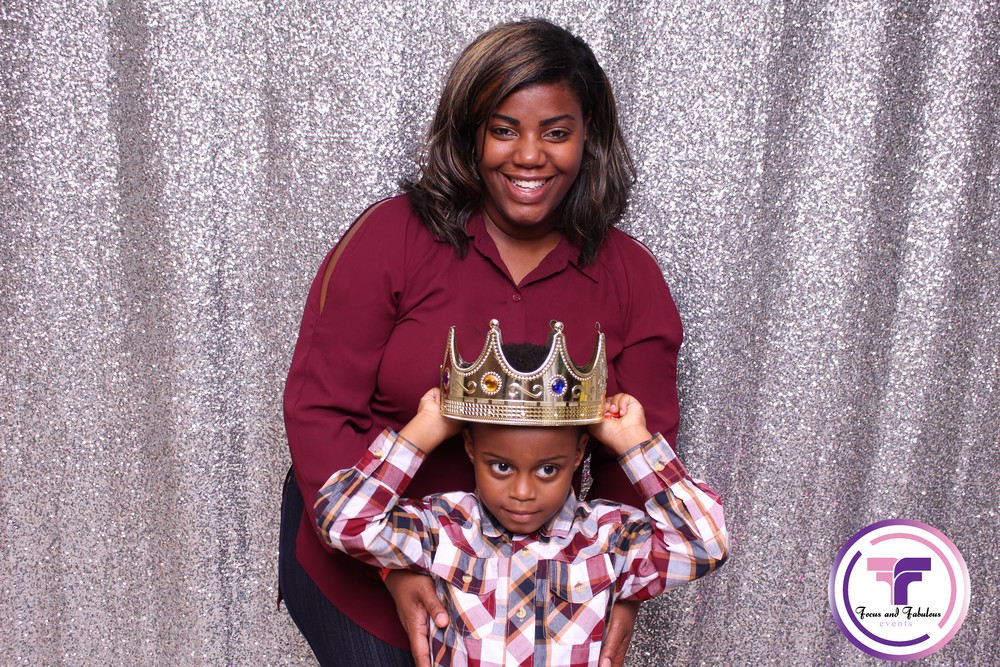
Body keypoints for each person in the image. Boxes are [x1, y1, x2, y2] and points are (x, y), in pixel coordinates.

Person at [280, 16, 685, 667]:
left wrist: (620, 583)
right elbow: (319, 410)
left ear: (589, 138)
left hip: (532, 578)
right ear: (471, 133)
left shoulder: (631, 277)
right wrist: (391, 563)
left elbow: (635, 458)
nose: (529, 155)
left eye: (556, 132)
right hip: (364, 548)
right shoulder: (390, 238)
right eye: (504, 129)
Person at [313, 330, 728, 667]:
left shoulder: (609, 538)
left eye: (548, 470)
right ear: (470, 448)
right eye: (501, 466)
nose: (523, 493)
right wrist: (426, 428)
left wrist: (631, 440)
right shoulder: (445, 528)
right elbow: (342, 521)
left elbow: (705, 544)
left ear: (579, 454)